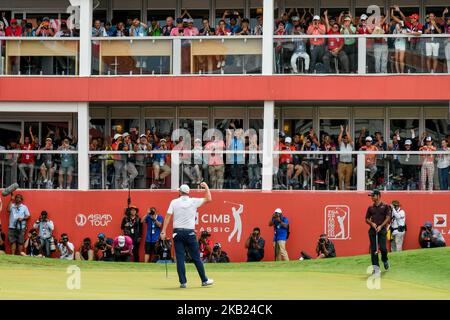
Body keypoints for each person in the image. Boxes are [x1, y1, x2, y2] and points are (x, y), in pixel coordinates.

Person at [160, 183, 214, 288]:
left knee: (180, 258)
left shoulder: (174, 202)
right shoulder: (193, 201)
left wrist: (163, 231)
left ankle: (183, 282)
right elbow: (209, 198)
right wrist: (206, 187)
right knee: (196, 258)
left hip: (177, 233)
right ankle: (204, 280)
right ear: (188, 192)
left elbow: (168, 216)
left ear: (180, 192)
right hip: (190, 233)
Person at [365, 190, 391, 273]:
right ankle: (376, 269)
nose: (372, 197)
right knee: (374, 250)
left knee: (383, 248)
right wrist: (371, 223)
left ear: (379, 196)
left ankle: (385, 259)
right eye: (371, 196)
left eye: (373, 196)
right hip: (373, 231)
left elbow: (388, 218)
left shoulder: (385, 206)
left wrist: (381, 226)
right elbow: (366, 219)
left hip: (382, 230)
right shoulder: (370, 208)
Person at [337, 125, 353, 190]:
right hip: (341, 163)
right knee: (340, 179)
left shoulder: (351, 144)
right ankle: (341, 192)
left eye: (347, 138)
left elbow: (350, 139)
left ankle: (347, 193)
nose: (346, 139)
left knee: (347, 179)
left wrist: (347, 131)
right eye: (344, 138)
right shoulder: (341, 144)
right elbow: (339, 139)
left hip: (349, 164)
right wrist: (342, 131)